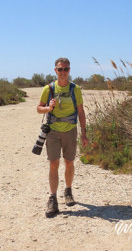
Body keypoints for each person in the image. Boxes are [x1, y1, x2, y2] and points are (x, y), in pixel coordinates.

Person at [37, 57, 88, 218]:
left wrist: (84, 133)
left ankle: (68, 190)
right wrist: (48, 108)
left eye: (66, 69)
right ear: (55, 71)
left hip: (70, 130)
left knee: (69, 162)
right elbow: (39, 109)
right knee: (53, 163)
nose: (63, 72)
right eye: (60, 69)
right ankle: (52, 198)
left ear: (69, 70)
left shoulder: (75, 89)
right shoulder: (48, 89)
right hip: (52, 131)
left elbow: (81, 112)